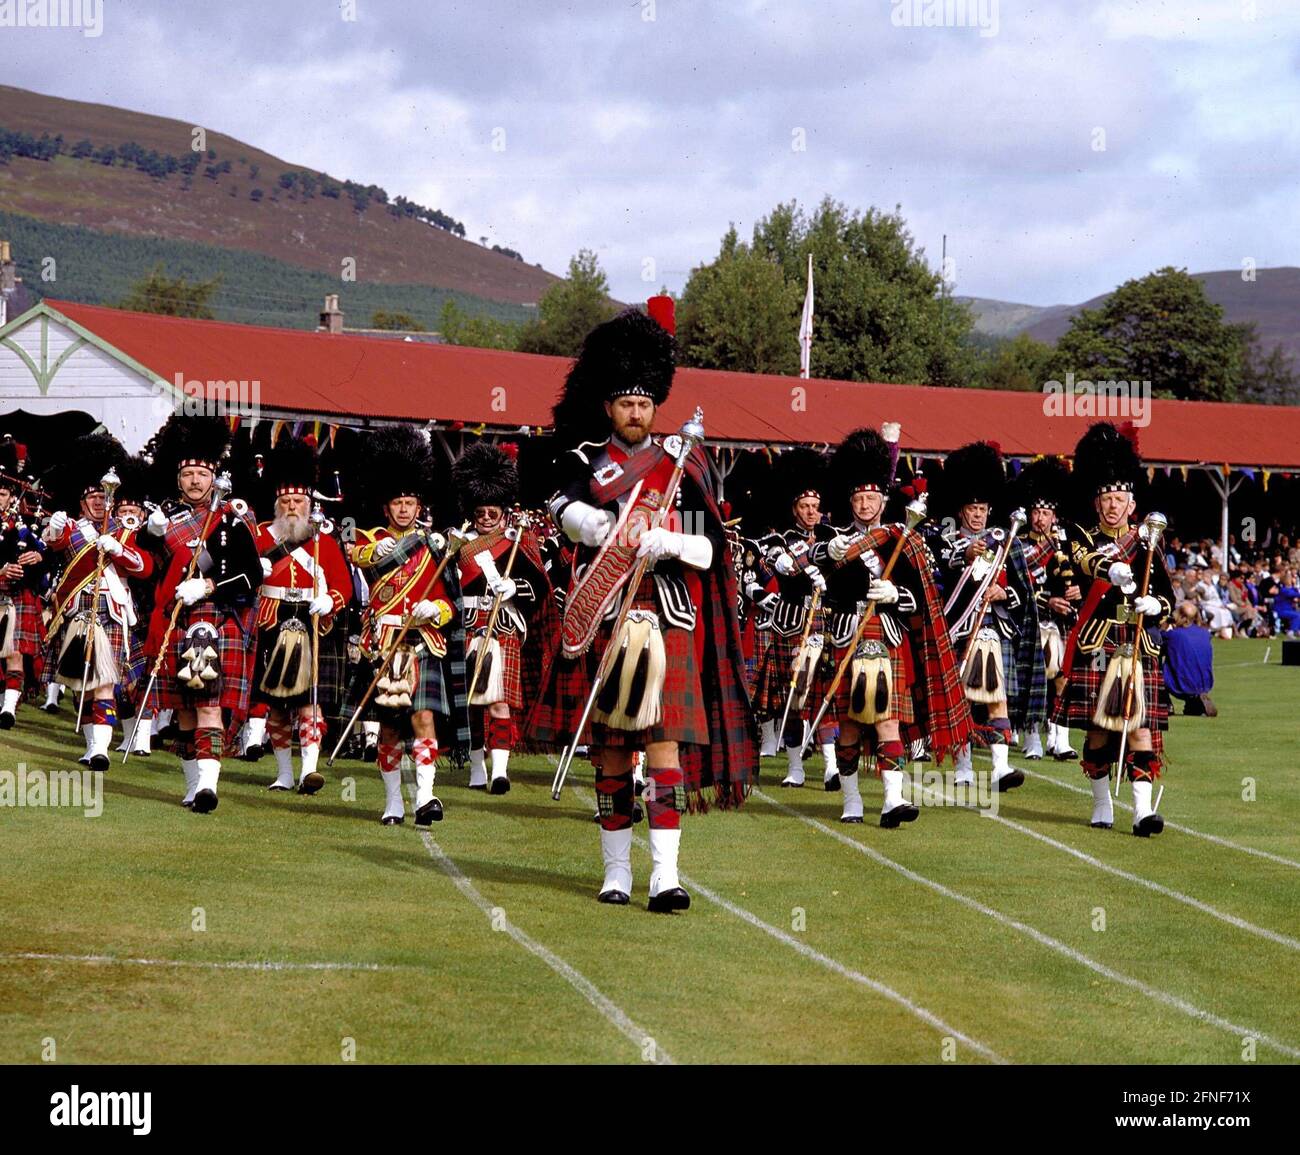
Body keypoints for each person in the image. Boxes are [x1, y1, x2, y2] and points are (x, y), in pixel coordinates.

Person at [527, 302, 756, 911]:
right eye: (626, 403)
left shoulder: (684, 465)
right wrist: (591, 524)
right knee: (608, 751)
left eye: (645, 404)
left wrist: (670, 540)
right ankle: (616, 874)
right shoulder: (585, 461)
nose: (636, 413)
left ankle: (665, 876)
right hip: (603, 615)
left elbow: (712, 549)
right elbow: (563, 510)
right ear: (609, 407)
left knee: (661, 751)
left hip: (669, 615)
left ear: (657, 407)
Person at [811, 426, 973, 825]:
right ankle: (851, 803)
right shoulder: (836, 540)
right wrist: (829, 554)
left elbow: (922, 599)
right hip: (849, 634)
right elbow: (821, 574)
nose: (865, 505)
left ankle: (892, 800)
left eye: (872, 498)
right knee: (848, 724)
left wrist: (895, 596)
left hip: (890, 637)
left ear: (883, 500)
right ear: (850, 501)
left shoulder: (905, 539)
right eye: (859, 498)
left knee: (889, 721)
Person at [1053, 422, 1174, 836]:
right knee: (1101, 731)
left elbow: (1169, 598)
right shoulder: (1080, 534)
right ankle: (1102, 802)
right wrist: (1114, 568)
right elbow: (1087, 561)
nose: (1111, 505)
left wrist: (1155, 604)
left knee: (1140, 727)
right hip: (1100, 640)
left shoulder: (1148, 542)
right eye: (1105, 497)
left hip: (1137, 642)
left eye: (1119, 498)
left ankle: (1141, 813)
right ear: (1096, 500)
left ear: (1132, 501)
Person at [350, 425, 468, 826]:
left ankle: (426, 797)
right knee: (388, 730)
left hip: (424, 642)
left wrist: (435, 609)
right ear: (387, 507)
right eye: (397, 503)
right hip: (384, 643)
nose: (404, 509)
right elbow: (357, 555)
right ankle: (392, 802)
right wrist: (377, 549)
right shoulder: (371, 539)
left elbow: (453, 604)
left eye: (410, 503)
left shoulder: (436, 545)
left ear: (420, 507)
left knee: (424, 721)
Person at [144, 414, 262, 812]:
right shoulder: (166, 521)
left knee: (209, 703)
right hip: (179, 620)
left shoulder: (233, 515)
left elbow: (252, 573)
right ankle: (194, 788)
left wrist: (208, 585)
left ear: (214, 476)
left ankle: (209, 788)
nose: (195, 480)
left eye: (202, 473)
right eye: (188, 474)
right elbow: (151, 575)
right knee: (186, 710)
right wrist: (150, 538)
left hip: (218, 618)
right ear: (178, 479)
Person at [935, 441, 1045, 792]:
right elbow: (942, 572)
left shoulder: (1005, 540)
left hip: (996, 628)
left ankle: (999, 766)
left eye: (982, 508)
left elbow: (1021, 591)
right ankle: (963, 763)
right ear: (961, 509)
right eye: (972, 508)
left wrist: (1004, 593)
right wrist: (965, 555)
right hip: (960, 628)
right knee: (961, 698)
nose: (978, 515)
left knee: (998, 696)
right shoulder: (947, 539)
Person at [41, 434, 153, 771]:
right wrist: (54, 528)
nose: (99, 503)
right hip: (78, 609)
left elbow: (144, 567)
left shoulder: (124, 528)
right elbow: (56, 545)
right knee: (82, 685)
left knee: (105, 681)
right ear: (81, 499)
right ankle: (92, 747)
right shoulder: (72, 527)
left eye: (104, 497)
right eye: (92, 496)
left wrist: (120, 550)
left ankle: (102, 749)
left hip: (112, 608)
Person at [451, 441, 555, 795]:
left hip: (504, 625)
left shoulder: (518, 541)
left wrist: (516, 587)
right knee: (471, 702)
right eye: (480, 511)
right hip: (467, 624)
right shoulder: (458, 544)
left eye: (492, 511)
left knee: (498, 702)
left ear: (502, 509)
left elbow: (540, 585)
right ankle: (477, 768)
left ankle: (500, 771)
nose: (486, 517)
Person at [251, 436, 352, 795]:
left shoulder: (323, 537)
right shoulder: (260, 535)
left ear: (309, 504)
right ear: (277, 504)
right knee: (277, 706)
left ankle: (309, 770)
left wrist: (331, 601)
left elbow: (344, 585)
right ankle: (283, 773)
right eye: (286, 501)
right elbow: (245, 582)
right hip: (272, 619)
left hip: (314, 623)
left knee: (311, 705)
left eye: (299, 501)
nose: (293, 507)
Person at [746, 448, 838, 788]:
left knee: (825, 693)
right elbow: (772, 564)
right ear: (793, 508)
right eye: (804, 507)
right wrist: (801, 568)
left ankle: (830, 765)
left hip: (828, 623)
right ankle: (795, 766)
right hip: (791, 623)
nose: (811, 513)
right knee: (795, 698)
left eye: (815, 507)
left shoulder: (833, 537)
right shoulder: (778, 540)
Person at [1015, 455, 1081, 761]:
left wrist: (1077, 590)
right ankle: (1032, 737)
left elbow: (1083, 576)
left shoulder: (1065, 546)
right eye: (1036, 511)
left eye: (1046, 512)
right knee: (1035, 679)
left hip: (1062, 621)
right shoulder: (1019, 544)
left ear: (1054, 515)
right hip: (1031, 620)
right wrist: (1046, 600)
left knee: (1062, 677)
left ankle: (1060, 737)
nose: (1040, 518)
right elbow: (1018, 586)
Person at [0, 470, 47, 730]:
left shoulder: (27, 527)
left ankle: (8, 709)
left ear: (11, 498)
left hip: (17, 595)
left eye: (3, 494)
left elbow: (49, 558)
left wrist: (39, 559)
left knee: (13, 651)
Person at [1162, 602, 1217, 716]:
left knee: (1154, 667)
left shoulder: (1173, 635)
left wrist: (1164, 625)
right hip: (1205, 683)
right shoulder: (1204, 633)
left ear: (1182, 617)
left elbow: (1156, 642)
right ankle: (1194, 703)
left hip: (1182, 683)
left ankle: (1165, 704)